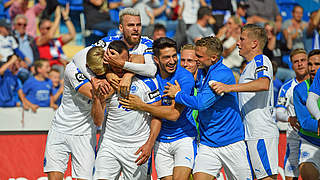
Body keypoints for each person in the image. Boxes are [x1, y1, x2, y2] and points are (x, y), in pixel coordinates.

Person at [163, 36, 252, 179]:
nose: (195, 59)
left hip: (231, 142)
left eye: (199, 56)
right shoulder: (203, 72)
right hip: (207, 143)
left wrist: (178, 94)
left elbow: (201, 103)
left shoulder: (222, 74)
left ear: (213, 58)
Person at [119, 37, 197, 180]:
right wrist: (128, 75)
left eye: (174, 56)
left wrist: (142, 106)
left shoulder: (185, 78)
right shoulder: (151, 73)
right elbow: (135, 58)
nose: (172, 61)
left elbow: (174, 114)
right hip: (160, 140)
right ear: (156, 59)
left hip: (183, 137)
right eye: (166, 57)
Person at [210, 24, 279, 180]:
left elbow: (263, 84)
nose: (238, 43)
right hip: (250, 132)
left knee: (266, 178)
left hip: (261, 132)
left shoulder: (261, 59)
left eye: (242, 39)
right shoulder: (249, 66)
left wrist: (229, 88)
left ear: (254, 43)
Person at [91, 40, 162, 180]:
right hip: (110, 144)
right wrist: (96, 97)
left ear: (129, 60)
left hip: (137, 147)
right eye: (114, 63)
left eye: (120, 63)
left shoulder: (148, 81)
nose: (118, 67)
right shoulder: (105, 83)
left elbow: (157, 116)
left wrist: (149, 144)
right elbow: (97, 121)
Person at [43, 44, 110, 180]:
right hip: (60, 129)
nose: (100, 74)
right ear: (87, 66)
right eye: (96, 72)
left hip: (85, 134)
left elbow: (98, 120)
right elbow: (92, 92)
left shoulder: (105, 74)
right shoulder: (71, 69)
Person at [73, 8, 157, 96]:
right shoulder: (108, 41)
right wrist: (106, 73)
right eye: (131, 25)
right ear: (121, 28)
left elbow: (151, 70)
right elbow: (78, 57)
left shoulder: (148, 44)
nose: (136, 29)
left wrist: (127, 74)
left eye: (138, 25)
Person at [275, 48, 309, 180]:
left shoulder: (316, 86)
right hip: (293, 138)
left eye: (303, 60)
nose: (300, 64)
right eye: (296, 62)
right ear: (292, 65)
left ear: (308, 62)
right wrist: (290, 118)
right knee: (290, 177)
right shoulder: (286, 88)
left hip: (313, 138)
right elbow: (279, 112)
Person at [293, 49, 320, 180]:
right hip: (310, 142)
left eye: (317, 64)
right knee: (308, 173)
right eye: (310, 64)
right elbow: (305, 122)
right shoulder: (299, 89)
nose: (313, 68)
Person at [36, 5, 76, 77]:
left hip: (63, 65)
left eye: (51, 27)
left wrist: (66, 18)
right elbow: (50, 35)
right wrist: (57, 17)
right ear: (41, 30)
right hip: (51, 68)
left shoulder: (56, 41)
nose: (52, 29)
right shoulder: (38, 40)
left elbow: (72, 35)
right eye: (48, 28)